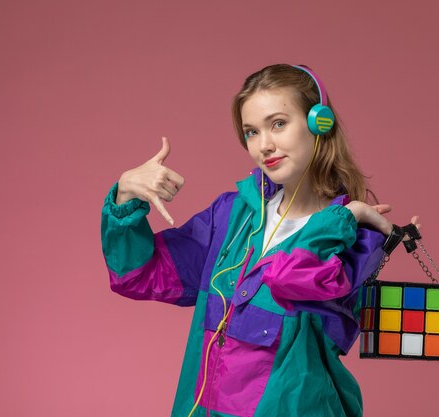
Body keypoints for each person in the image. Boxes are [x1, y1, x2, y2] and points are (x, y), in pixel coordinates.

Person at [101, 64, 420, 417]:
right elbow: (137, 275)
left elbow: (289, 279)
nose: (264, 145)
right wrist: (126, 195)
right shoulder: (231, 216)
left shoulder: (355, 240)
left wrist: (344, 217)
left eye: (278, 123)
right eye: (251, 132)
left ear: (319, 123)